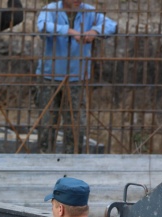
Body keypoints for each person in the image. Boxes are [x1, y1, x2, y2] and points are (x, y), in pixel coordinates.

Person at [35, 0, 117, 154]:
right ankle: (43, 158)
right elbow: (42, 27)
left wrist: (96, 31)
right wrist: (69, 31)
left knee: (75, 124)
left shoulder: (89, 11)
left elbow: (112, 25)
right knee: (47, 123)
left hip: (76, 77)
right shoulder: (51, 10)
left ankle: (72, 159)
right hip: (50, 75)